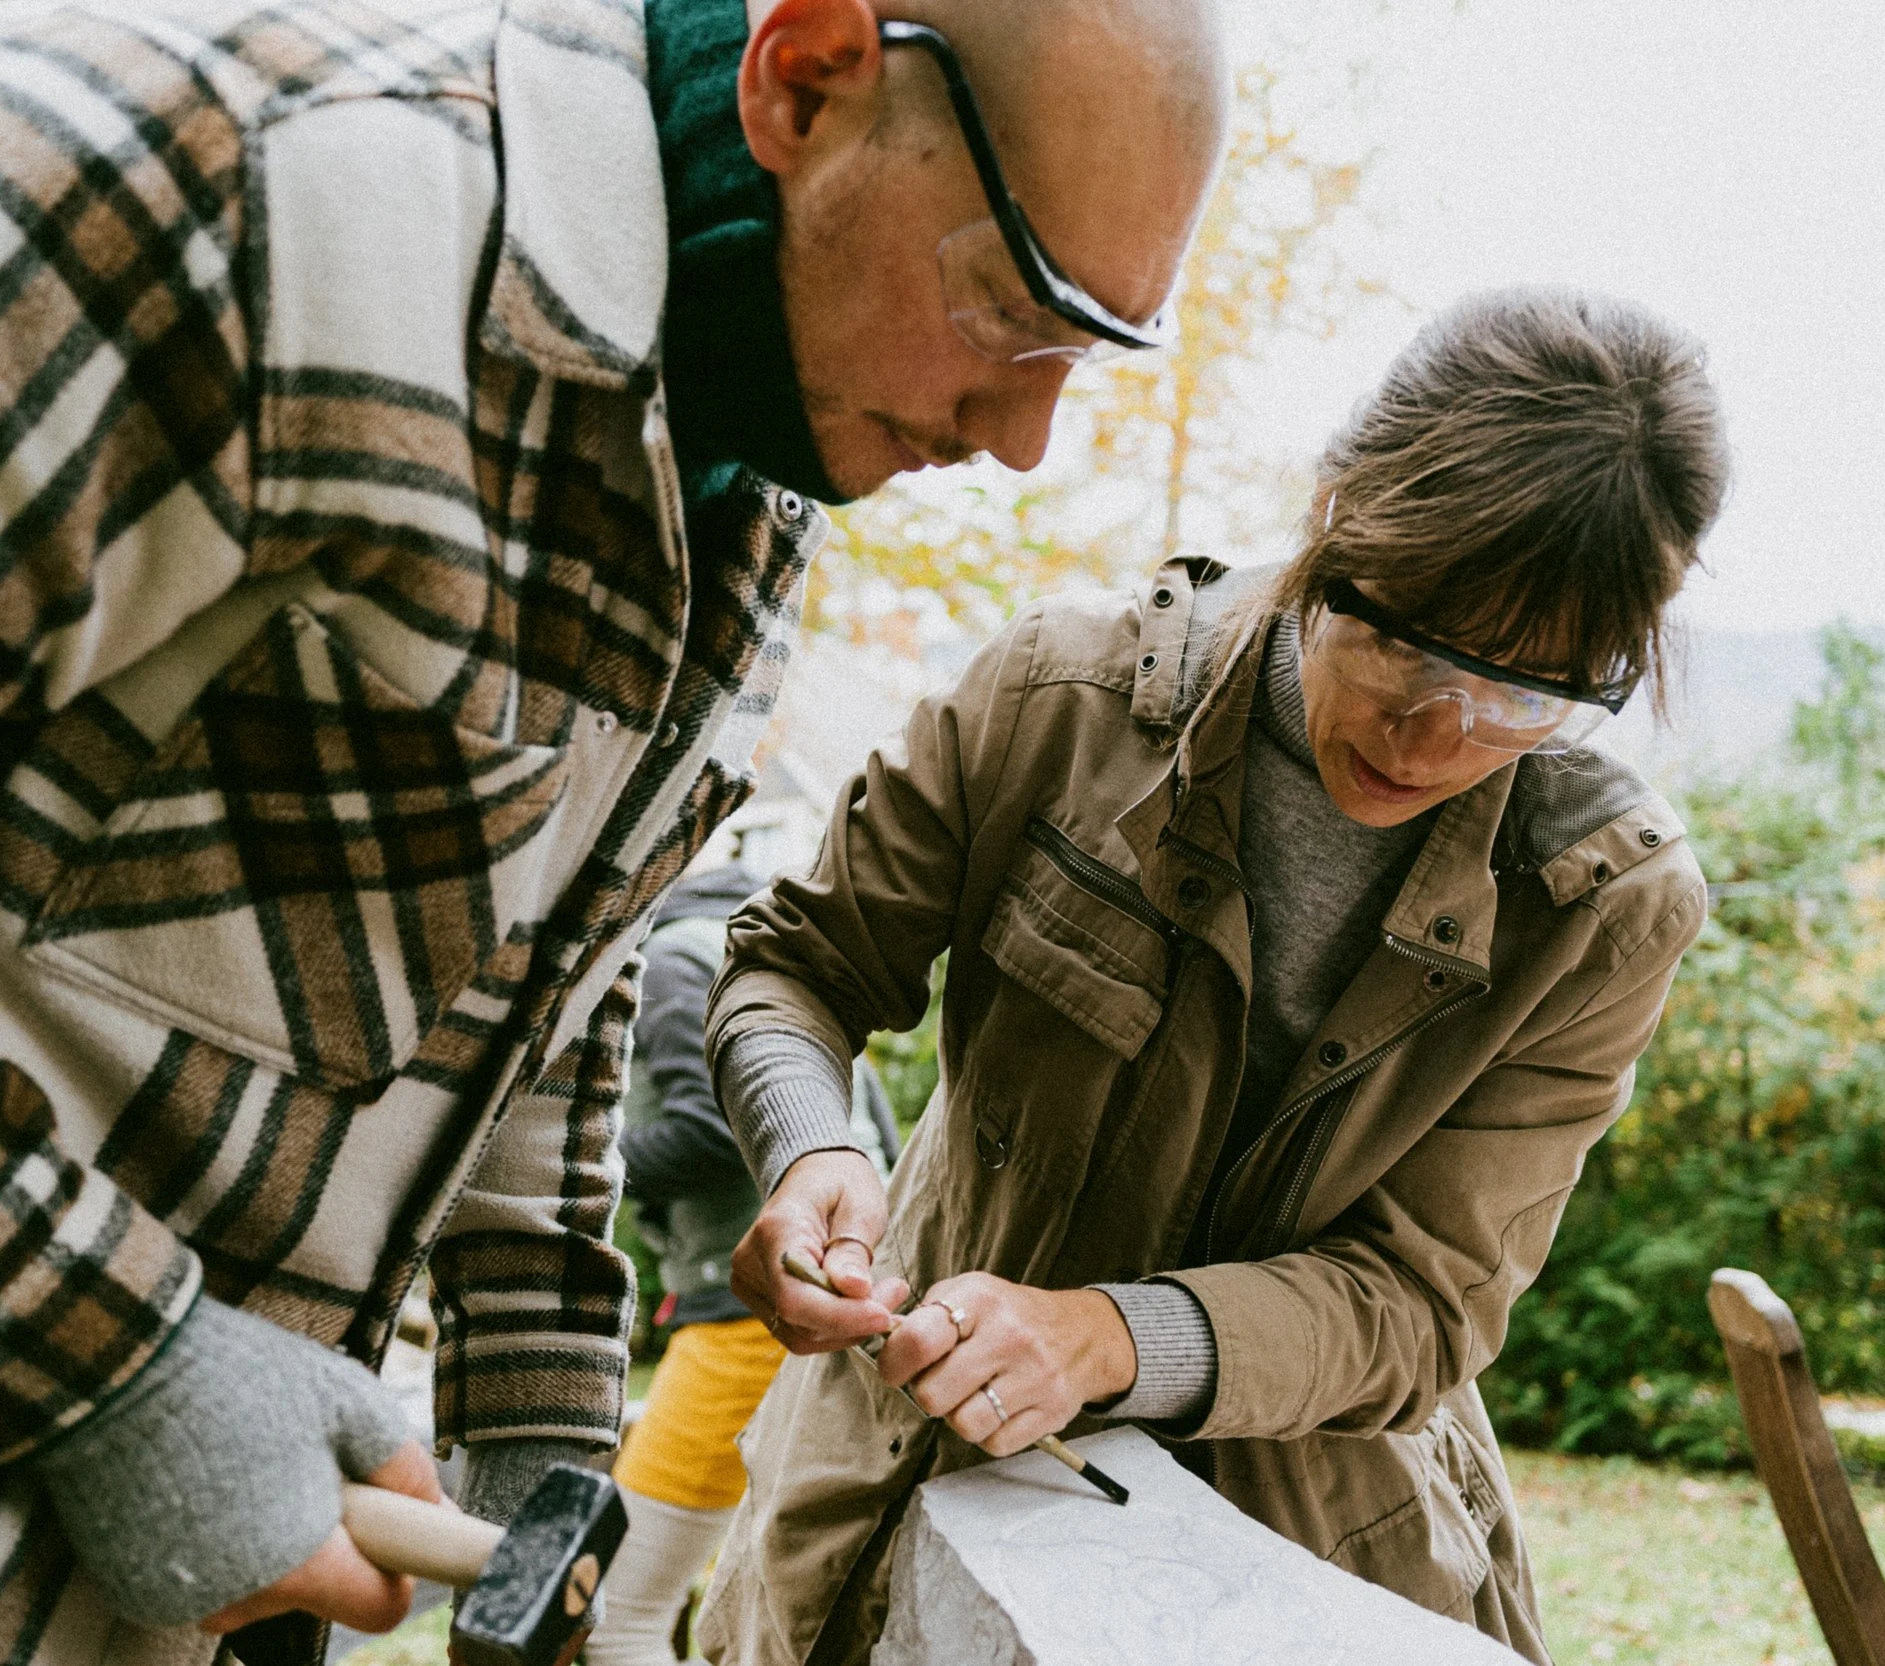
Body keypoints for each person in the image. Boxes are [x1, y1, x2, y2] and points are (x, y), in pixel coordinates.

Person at [0, 0, 1227, 1659]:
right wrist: (102, 1370)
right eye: (1013, 314)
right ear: (805, 76)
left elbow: (528, 1006)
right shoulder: (210, 173)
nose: (1024, 439)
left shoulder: (753, 471)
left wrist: (547, 1470)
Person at [697, 288, 1733, 1665]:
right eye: (1405, 640)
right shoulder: (1055, 702)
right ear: (1333, 515)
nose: (1436, 731)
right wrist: (806, 1144)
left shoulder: (1601, 906)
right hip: (899, 1474)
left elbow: (1420, 1301)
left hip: (1304, 1548)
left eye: (1522, 697)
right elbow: (798, 966)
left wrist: (1109, 1338)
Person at [594, 860, 898, 1666]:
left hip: (757, 1314)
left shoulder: (669, 961)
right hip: (835, 1292)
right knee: (744, 1594)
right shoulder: (755, 958)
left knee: (612, 1613)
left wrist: (582, 1159)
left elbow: (711, 1132)